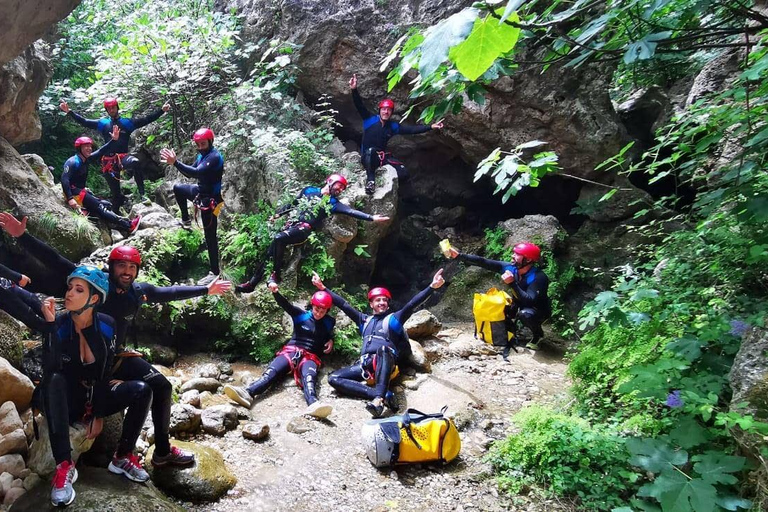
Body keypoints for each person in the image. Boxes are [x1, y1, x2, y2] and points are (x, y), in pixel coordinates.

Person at [0, 212, 233, 468]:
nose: (127, 271)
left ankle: (161, 452)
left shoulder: (138, 292)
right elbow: (57, 261)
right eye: (121, 265)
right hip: (86, 361)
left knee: (163, 386)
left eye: (132, 267)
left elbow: (171, 292)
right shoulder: (97, 286)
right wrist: (23, 236)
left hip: (116, 358)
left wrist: (206, 289)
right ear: (111, 267)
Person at [39, 266, 152, 507]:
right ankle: (64, 467)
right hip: (65, 398)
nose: (69, 293)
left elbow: (104, 369)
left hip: (91, 394)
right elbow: (48, 368)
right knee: (54, 379)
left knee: (143, 389)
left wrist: (98, 413)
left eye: (78, 289)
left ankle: (122, 456)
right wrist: (48, 327)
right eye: (70, 287)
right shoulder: (58, 324)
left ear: (94, 299)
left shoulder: (108, 325)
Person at [312, 268, 445, 417]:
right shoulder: (364, 321)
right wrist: (323, 288)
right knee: (333, 378)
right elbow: (344, 305)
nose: (381, 302)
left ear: (388, 304)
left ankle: (378, 400)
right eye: (378, 300)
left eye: (384, 300)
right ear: (371, 304)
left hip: (386, 364)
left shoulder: (393, 320)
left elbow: (411, 305)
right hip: (366, 366)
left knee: (383, 349)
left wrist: (431, 287)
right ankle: (382, 394)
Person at [235, 174, 389, 293]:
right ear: (330, 181)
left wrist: (371, 217)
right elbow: (293, 203)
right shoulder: (309, 191)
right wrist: (278, 215)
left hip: (304, 230)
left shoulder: (332, 203)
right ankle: (252, 283)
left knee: (278, 238)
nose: (340, 189)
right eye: (339, 186)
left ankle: (275, 275)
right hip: (292, 224)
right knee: (271, 250)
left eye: (342, 188)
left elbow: (351, 211)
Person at [223, 282, 336, 419]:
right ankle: (248, 393)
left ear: (327, 311)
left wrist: (331, 340)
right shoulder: (301, 315)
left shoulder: (330, 322)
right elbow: (285, 305)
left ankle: (313, 404)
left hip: (311, 356)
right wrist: (275, 292)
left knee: (309, 377)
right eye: (316, 309)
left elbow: (327, 333)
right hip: (292, 350)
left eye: (322, 311)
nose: (318, 313)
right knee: (272, 372)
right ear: (312, 305)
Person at [60, 97, 171, 209]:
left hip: (122, 157)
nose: (111, 110)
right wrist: (70, 112)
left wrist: (161, 111)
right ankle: (116, 220)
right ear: (107, 110)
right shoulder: (103, 123)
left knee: (135, 162)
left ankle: (142, 194)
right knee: (116, 195)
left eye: (113, 107)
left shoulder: (127, 123)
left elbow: (146, 119)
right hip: (108, 162)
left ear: (117, 107)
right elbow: (85, 122)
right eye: (109, 108)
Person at [448, 242, 550, 357]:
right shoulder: (511, 268)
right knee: (495, 306)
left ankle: (538, 335)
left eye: (517, 254)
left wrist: (512, 284)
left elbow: (529, 301)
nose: (512, 256)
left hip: (537, 310)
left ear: (528, 260)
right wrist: (460, 256)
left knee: (525, 314)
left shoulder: (539, 277)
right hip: (518, 304)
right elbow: (484, 262)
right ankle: (512, 329)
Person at [349, 73, 444, 195]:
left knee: (403, 171)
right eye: (384, 109)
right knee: (371, 152)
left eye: (388, 110)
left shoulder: (393, 126)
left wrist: (430, 127)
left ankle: (408, 198)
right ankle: (371, 181)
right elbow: (359, 105)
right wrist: (354, 89)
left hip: (381, 158)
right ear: (380, 110)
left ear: (391, 113)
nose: (386, 112)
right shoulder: (369, 120)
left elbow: (411, 130)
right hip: (368, 156)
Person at [160, 128, 223, 285]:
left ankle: (215, 272)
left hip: (211, 200)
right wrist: (176, 164)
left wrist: (175, 162)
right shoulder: (202, 155)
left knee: (210, 237)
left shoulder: (214, 157)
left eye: (203, 143)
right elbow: (190, 174)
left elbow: (196, 173)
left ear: (210, 142)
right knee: (178, 188)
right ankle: (186, 220)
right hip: (200, 192)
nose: (200, 146)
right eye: (198, 144)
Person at [61, 127, 142, 235]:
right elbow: (64, 179)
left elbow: (101, 150)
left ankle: (90, 213)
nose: (89, 148)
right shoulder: (73, 162)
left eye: (90, 146)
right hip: (75, 193)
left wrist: (113, 140)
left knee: (106, 204)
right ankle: (128, 225)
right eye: (86, 146)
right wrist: (70, 199)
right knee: (101, 207)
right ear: (79, 148)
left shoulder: (86, 159)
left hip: (80, 191)